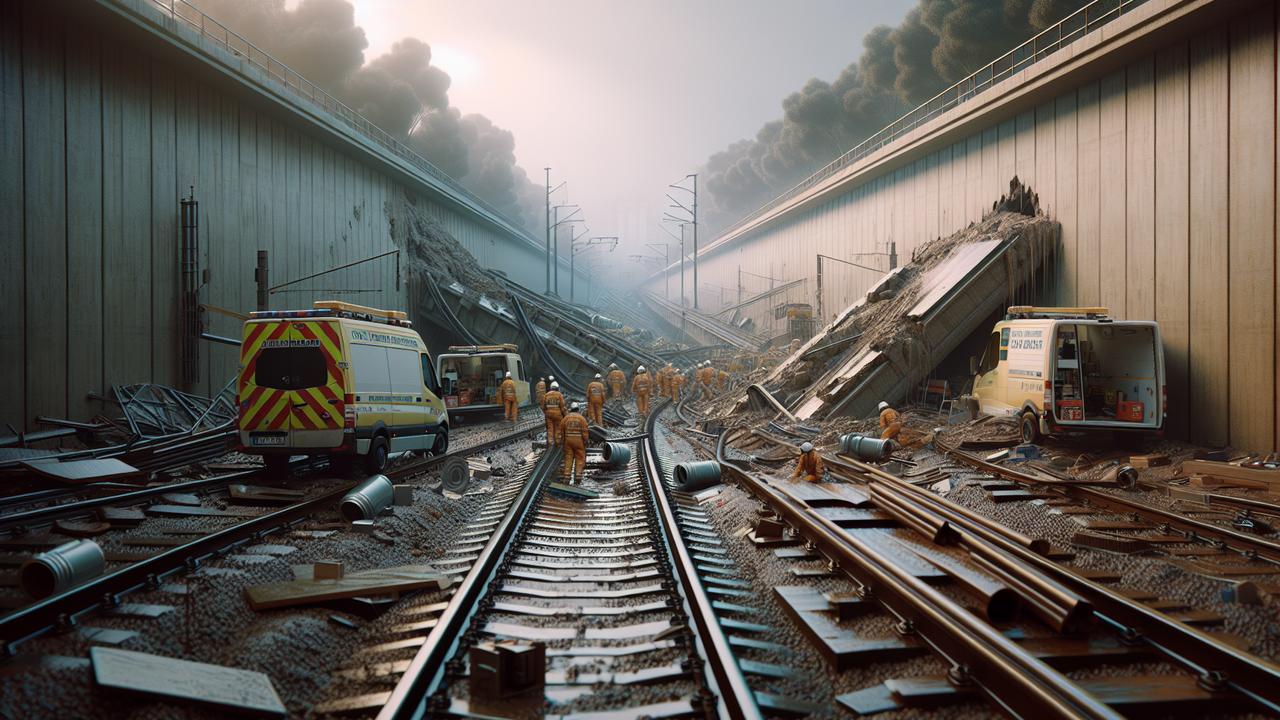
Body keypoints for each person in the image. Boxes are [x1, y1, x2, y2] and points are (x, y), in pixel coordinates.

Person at [559, 402, 590, 484]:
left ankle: (566, 477)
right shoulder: (581, 418)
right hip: (578, 442)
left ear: (571, 409)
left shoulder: (566, 418)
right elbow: (585, 432)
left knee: (568, 458)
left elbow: (561, 430)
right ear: (578, 409)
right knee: (580, 458)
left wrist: (562, 441)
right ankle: (578, 477)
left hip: (568, 442)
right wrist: (586, 441)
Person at [542, 381, 565, 446]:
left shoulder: (546, 395)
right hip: (558, 415)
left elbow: (543, 407)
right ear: (557, 388)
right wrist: (565, 415)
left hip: (548, 415)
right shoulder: (559, 394)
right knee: (558, 428)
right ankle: (558, 442)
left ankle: (551, 442)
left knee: (550, 428)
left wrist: (546, 413)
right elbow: (562, 406)